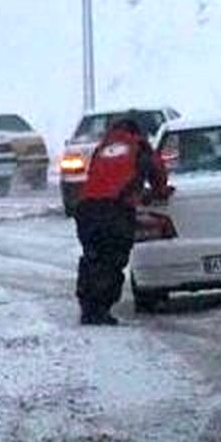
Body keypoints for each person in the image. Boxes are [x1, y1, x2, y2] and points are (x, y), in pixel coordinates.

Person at [73, 115, 170, 325]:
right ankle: (100, 310)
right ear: (137, 131)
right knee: (112, 259)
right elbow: (157, 174)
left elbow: (100, 177)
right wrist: (159, 192)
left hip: (86, 209)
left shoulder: (102, 148)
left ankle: (88, 307)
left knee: (92, 256)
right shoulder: (139, 146)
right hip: (115, 210)